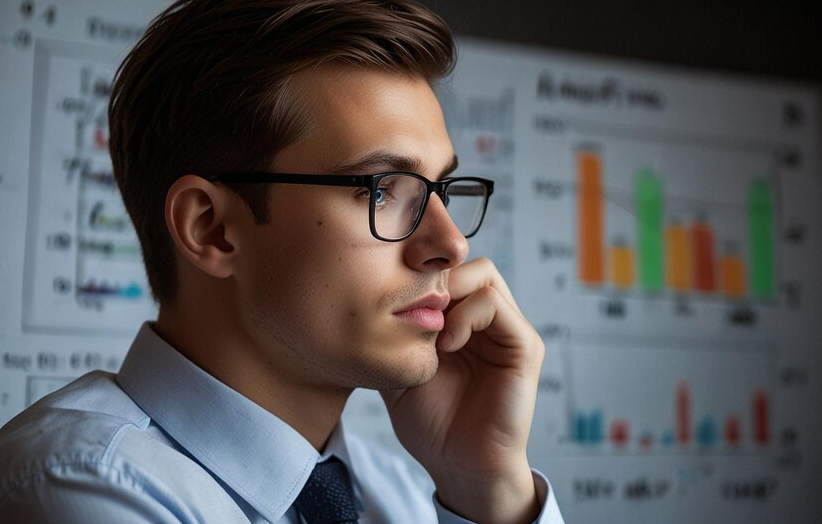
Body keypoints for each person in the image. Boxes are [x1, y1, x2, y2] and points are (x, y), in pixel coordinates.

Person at [0, 1, 564, 522]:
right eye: (380, 190)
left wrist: (487, 489)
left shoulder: (408, 494)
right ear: (212, 230)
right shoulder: (80, 486)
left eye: (439, 189)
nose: (452, 245)